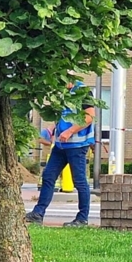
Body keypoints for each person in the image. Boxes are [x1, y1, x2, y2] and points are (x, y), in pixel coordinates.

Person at [25, 85, 96, 227]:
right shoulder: (61, 92)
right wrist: (50, 131)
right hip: (60, 145)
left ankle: (82, 219)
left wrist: (70, 131)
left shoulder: (82, 91)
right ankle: (38, 214)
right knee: (48, 177)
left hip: (77, 145)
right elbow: (61, 118)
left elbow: (89, 116)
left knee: (80, 181)